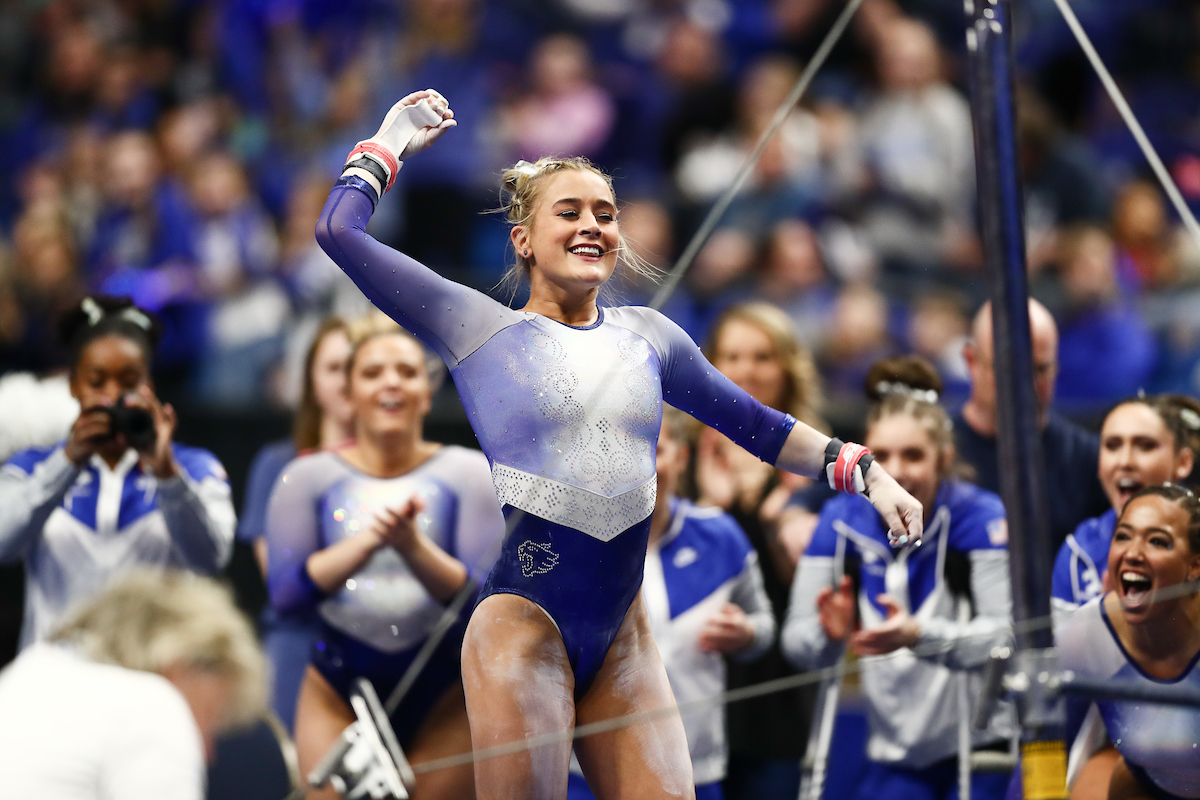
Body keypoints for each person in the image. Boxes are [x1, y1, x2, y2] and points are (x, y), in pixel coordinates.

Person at [314, 89, 922, 800]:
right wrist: (387, 145)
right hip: (522, 629)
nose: (592, 226)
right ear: (523, 239)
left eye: (605, 214)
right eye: (569, 212)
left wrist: (867, 472)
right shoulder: (478, 328)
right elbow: (339, 231)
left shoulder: (652, 337)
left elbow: (761, 426)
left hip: (624, 642)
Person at [266, 313, 506, 799]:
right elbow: (286, 597)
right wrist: (368, 542)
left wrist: (412, 548)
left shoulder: (469, 473)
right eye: (373, 373)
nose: (391, 383)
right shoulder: (306, 477)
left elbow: (485, 604)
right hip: (336, 684)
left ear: (427, 392)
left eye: (407, 372)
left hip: (444, 690)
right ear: (349, 394)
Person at [783, 356, 1013, 800]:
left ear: (944, 459)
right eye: (881, 457)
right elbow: (797, 643)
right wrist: (829, 636)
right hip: (895, 754)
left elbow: (1006, 639)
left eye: (914, 455)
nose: (896, 473)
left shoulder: (980, 516)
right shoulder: (839, 519)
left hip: (977, 749)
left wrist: (918, 635)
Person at [0, 295, 235, 648]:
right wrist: (69, 461)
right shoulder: (32, 466)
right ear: (73, 386)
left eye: (128, 382)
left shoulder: (193, 467)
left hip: (149, 669)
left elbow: (209, 561)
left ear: (149, 386)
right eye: (97, 382)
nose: (112, 397)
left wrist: (166, 473)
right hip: (56, 669)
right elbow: (4, 544)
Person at [567, 407, 776, 800]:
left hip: (696, 772)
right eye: (627, 451)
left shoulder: (721, 536)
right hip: (589, 775)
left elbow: (763, 625)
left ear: (682, 456)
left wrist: (746, 634)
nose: (641, 466)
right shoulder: (572, 543)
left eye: (655, 449)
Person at [693, 301, 826, 800]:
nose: (746, 370)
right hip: (694, 680)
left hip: (779, 694)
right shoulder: (677, 454)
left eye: (762, 357)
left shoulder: (818, 459)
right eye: (732, 356)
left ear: (787, 367)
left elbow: (822, 589)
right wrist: (711, 509)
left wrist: (780, 521)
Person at [0, 569, 266, 799]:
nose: (208, 753)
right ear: (179, 664)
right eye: (214, 718)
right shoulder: (153, 707)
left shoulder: (30, 670)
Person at [238, 315, 355, 731]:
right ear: (311, 382)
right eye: (334, 368)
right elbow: (283, 583)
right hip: (298, 648)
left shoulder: (404, 467)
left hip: (381, 646)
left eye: (358, 367)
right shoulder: (278, 463)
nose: (347, 380)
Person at [1054, 484, 1200, 800]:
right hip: (1143, 788)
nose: (1132, 553)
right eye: (1123, 536)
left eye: (1157, 541)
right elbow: (1048, 742)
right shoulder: (1089, 633)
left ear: (1195, 566)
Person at [955, 299, 1108, 550]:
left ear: (1056, 366)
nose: (1024, 384)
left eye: (1039, 369)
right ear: (971, 360)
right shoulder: (929, 455)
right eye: (1007, 369)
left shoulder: (1089, 461)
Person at [1051, 394, 1199, 626]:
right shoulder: (1078, 553)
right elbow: (1059, 647)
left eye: (1145, 446)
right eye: (1112, 446)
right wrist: (1104, 621)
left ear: (1183, 462)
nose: (1125, 461)